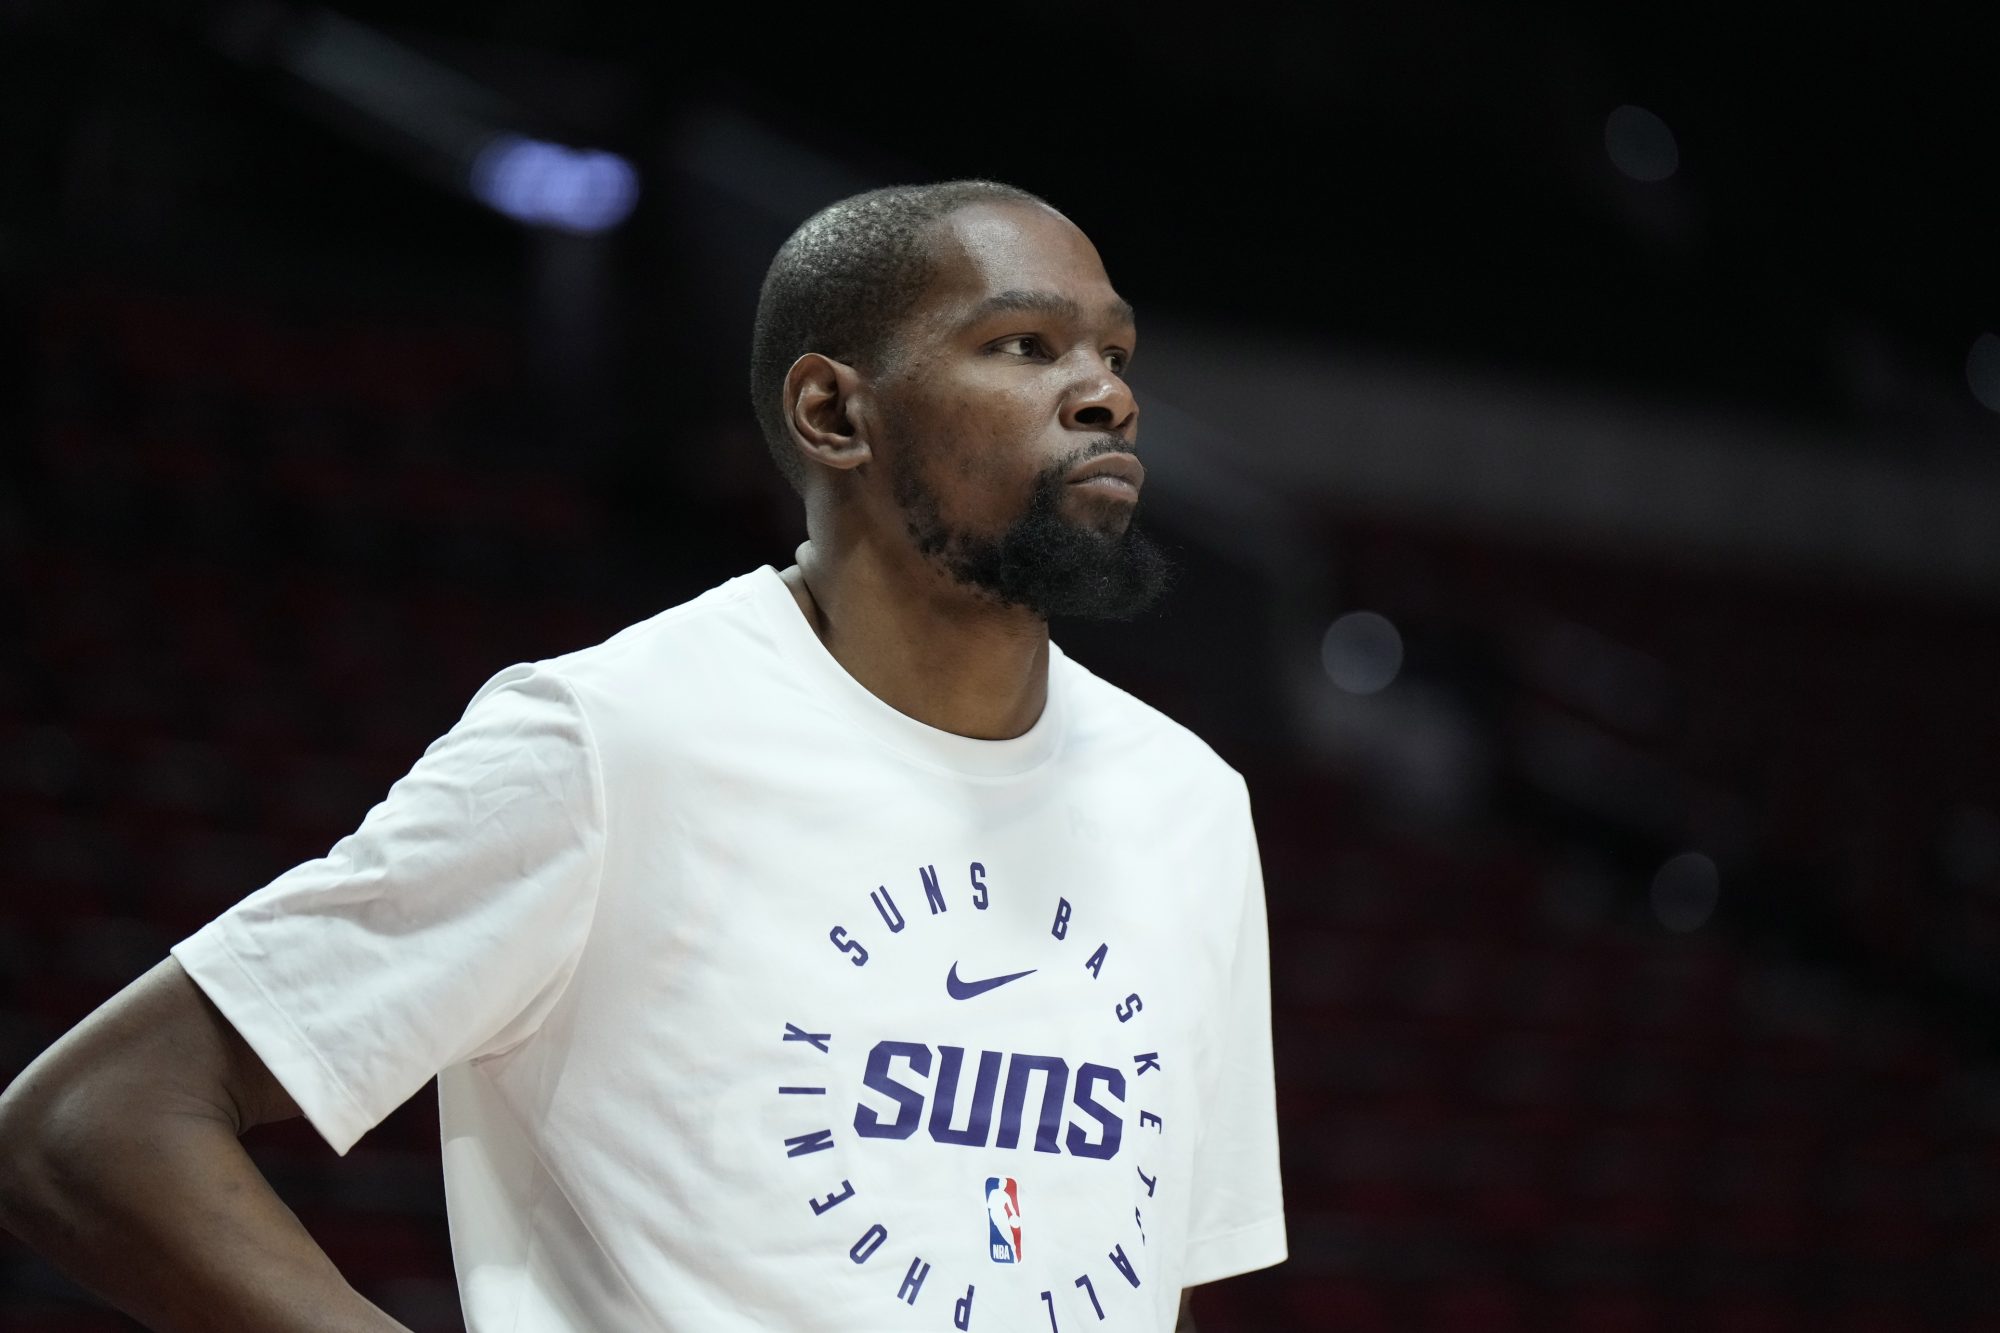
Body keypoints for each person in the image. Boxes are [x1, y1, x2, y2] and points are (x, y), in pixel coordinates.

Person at [0, 180, 1285, 1332]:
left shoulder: (1189, 804)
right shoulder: (611, 739)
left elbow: (1150, 1275)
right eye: (1024, 345)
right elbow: (85, 1127)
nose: (1105, 390)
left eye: (1113, 351)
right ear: (835, 412)